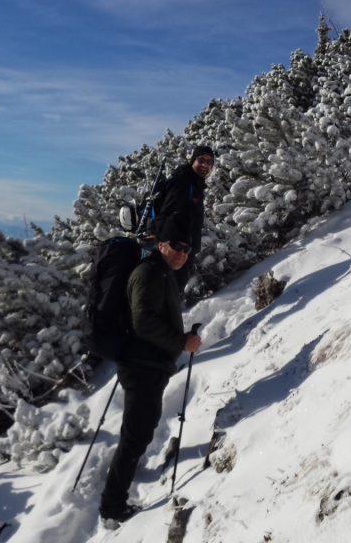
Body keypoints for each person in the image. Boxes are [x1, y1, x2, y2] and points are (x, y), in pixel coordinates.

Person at [99, 218, 202, 524]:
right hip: (141, 366)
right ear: (161, 244)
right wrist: (182, 342)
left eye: (187, 248)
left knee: (140, 431)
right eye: (177, 246)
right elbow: (143, 322)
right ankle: (112, 507)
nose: (183, 252)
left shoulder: (161, 271)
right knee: (134, 436)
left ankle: (117, 495)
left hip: (149, 364)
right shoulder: (148, 273)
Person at [152, 144, 215, 292]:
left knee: (171, 296)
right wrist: (167, 247)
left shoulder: (195, 184)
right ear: (193, 160)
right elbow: (166, 214)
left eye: (209, 161)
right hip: (173, 252)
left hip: (182, 251)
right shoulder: (183, 182)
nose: (205, 164)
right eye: (201, 160)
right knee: (167, 295)